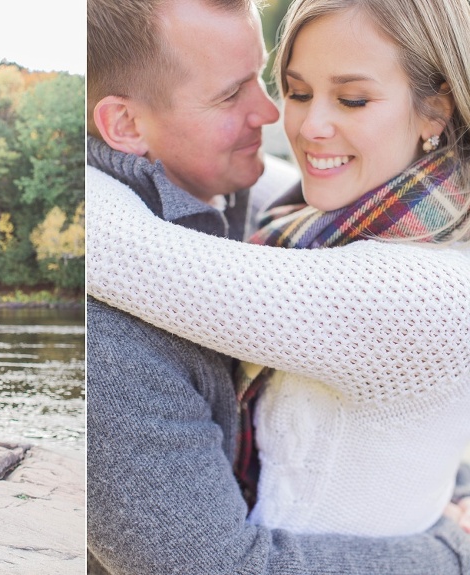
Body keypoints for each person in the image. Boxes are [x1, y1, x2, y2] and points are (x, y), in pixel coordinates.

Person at [86, 0, 470, 573]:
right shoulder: (309, 218)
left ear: (435, 109)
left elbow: (131, 250)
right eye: (293, 89)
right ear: (126, 125)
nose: (279, 119)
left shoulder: (417, 289)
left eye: (353, 99)